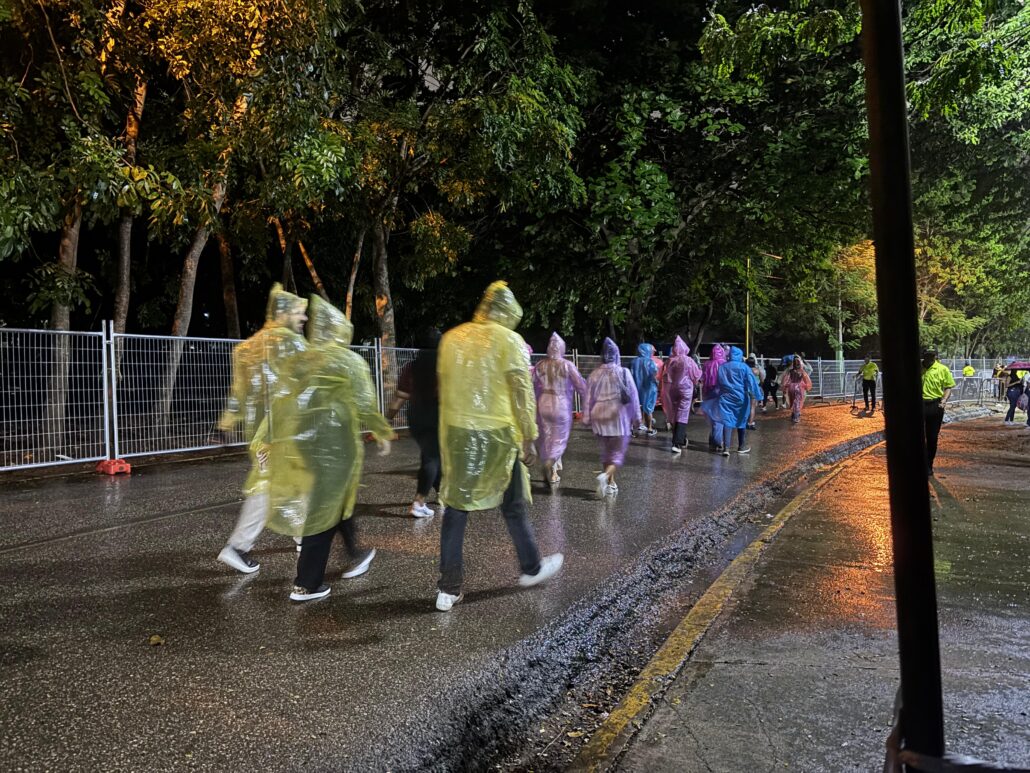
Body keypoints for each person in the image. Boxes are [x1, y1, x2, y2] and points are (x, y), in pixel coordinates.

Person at [435, 281, 563, 612]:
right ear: (506, 314)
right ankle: (531, 567)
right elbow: (521, 391)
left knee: (456, 508)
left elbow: (444, 389)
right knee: (514, 502)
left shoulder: (451, 339)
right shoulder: (510, 341)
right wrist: (529, 436)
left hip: (458, 434)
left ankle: (448, 589)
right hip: (498, 436)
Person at [262, 296, 395, 601]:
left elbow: (281, 403)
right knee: (323, 509)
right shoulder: (349, 361)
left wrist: (274, 440)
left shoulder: (300, 360)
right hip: (336, 450)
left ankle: (354, 553)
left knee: (334, 502)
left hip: (303, 446)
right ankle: (306, 583)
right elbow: (364, 403)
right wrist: (382, 432)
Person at [213, 283, 308, 575]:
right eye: (298, 313)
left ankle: (304, 536)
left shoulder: (247, 348)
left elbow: (238, 392)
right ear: (283, 314)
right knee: (267, 490)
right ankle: (237, 547)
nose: (303, 319)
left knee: (290, 484)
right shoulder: (290, 343)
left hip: (260, 435)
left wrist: (225, 425)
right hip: (281, 432)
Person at [387, 328, 443, 518]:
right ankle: (419, 502)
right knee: (431, 458)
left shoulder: (412, 366)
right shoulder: (445, 366)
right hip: (438, 416)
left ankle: (441, 492)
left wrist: (388, 418)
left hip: (416, 416)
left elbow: (399, 397)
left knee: (434, 456)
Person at [584, 338, 640, 496]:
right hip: (617, 416)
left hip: (599, 415)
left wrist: (587, 417)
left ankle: (610, 483)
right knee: (617, 453)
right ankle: (606, 476)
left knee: (607, 451)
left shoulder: (595, 374)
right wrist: (637, 417)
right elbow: (634, 396)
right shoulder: (623, 372)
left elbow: (588, 397)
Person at [533, 332, 587, 485]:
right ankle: (552, 468)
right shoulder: (567, 365)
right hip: (560, 405)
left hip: (543, 403)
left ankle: (551, 469)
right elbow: (580, 385)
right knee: (558, 439)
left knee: (547, 437)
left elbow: (531, 384)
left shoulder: (540, 364)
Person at [716, 346, 762, 455]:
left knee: (727, 421)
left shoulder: (722, 367)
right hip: (741, 397)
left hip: (725, 397)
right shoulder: (744, 367)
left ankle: (726, 448)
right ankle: (741, 446)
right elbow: (752, 382)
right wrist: (758, 396)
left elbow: (719, 382)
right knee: (741, 420)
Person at [662, 336, 703, 454]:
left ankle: (681, 438)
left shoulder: (670, 360)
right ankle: (677, 443)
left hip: (672, 390)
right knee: (682, 414)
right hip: (686, 390)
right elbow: (696, 375)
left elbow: (665, 376)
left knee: (675, 414)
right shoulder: (688, 360)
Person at [921, 347, 955, 477]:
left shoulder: (942, 369)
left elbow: (948, 386)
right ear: (923, 355)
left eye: (932, 355)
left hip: (935, 405)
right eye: (927, 355)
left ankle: (929, 464)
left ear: (936, 356)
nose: (930, 358)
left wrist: (944, 401)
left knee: (932, 437)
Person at [700, 344, 728, 452]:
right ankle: (717, 441)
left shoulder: (706, 364)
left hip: (708, 393)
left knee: (712, 416)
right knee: (719, 417)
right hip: (721, 393)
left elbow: (702, 378)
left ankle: (713, 438)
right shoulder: (724, 364)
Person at [630, 343, 660, 437]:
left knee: (635, 407)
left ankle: (633, 429)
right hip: (649, 387)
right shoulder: (650, 362)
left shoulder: (634, 362)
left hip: (636, 387)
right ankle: (650, 429)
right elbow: (654, 374)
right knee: (648, 408)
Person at [781, 356, 814, 423]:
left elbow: (785, 380)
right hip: (799, 388)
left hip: (791, 388)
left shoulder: (790, 371)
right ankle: (796, 416)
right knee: (797, 402)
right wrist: (807, 387)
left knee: (793, 401)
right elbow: (807, 380)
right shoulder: (802, 372)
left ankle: (794, 414)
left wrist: (785, 387)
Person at [746, 354, 764, 429]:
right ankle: (750, 422)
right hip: (754, 389)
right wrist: (759, 385)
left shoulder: (745, 370)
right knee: (752, 407)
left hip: (746, 389)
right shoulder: (757, 370)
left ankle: (745, 421)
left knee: (745, 406)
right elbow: (762, 380)